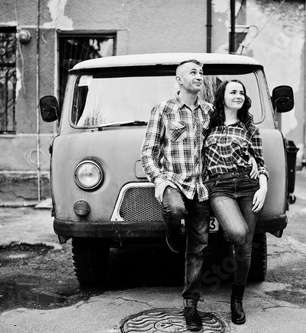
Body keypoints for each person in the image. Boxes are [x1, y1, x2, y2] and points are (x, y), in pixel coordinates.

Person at [140, 59, 212, 331]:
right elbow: (148, 151)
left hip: (201, 186)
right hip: (172, 180)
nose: (199, 76)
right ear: (179, 80)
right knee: (175, 210)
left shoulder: (209, 112)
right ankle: (172, 236)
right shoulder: (163, 109)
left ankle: (191, 307)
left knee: (199, 248)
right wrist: (158, 178)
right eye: (193, 72)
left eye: (201, 72)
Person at [204, 79, 268, 325]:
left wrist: (262, 188)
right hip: (219, 187)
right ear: (223, 97)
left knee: (245, 248)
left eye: (241, 92)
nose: (238, 95)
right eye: (233, 92)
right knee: (238, 233)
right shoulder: (208, 126)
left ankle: (237, 299)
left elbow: (261, 164)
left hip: (248, 187)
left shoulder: (250, 129)